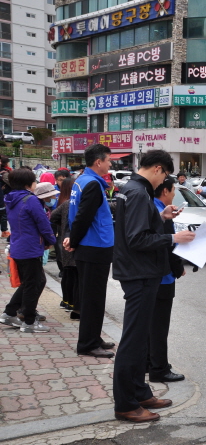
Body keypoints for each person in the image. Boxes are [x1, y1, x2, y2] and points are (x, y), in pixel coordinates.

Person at [112, 150, 195, 423]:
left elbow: (134, 229)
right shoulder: (138, 193)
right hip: (139, 273)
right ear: (158, 168)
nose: (164, 183)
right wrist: (173, 238)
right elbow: (137, 239)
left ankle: (139, 392)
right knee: (133, 341)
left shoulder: (132, 189)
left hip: (140, 271)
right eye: (166, 175)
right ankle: (125, 404)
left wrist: (162, 219)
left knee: (139, 339)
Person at [66, 144, 116, 358]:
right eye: (108, 160)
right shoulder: (93, 185)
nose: (110, 164)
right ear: (98, 162)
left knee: (93, 296)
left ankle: (93, 337)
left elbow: (74, 212)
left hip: (90, 246)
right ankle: (87, 344)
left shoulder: (81, 180)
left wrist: (72, 238)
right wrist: (74, 240)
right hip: (94, 247)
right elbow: (83, 217)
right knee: (93, 298)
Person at [0, 171, 56, 333]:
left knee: (30, 283)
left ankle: (10, 313)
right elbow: (43, 223)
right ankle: (29, 322)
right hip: (30, 248)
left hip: (18, 246)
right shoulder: (30, 200)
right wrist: (51, 240)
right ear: (28, 184)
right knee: (33, 284)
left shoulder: (11, 198)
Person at [149, 178, 186, 383]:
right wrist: (178, 268)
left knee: (150, 324)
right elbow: (169, 245)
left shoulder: (151, 206)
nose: (173, 195)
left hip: (150, 275)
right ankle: (159, 368)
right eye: (172, 191)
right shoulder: (162, 213)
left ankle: (149, 361)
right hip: (162, 277)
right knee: (159, 326)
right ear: (164, 191)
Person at [50, 179, 79, 313]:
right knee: (75, 275)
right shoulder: (76, 204)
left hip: (63, 241)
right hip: (75, 242)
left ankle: (66, 301)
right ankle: (73, 302)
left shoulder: (64, 203)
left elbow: (53, 217)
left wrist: (61, 228)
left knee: (67, 272)